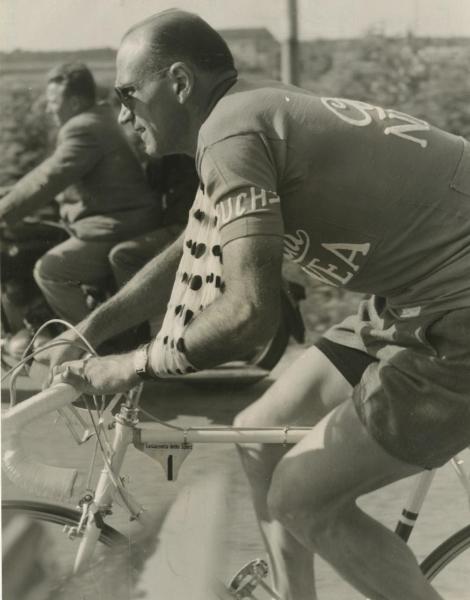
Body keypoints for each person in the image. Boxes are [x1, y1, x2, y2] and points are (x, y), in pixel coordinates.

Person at [48, 10, 470, 600]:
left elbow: (248, 315)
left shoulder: (231, 135)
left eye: (127, 92)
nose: (120, 112)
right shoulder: (244, 110)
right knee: (258, 433)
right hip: (413, 296)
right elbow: (192, 248)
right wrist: (91, 330)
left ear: (178, 82)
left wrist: (132, 363)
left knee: (302, 498)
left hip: (454, 311)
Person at [0, 62, 158, 324]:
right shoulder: (98, 118)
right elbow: (47, 172)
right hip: (118, 221)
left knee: (51, 270)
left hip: (117, 226)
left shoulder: (83, 128)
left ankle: (96, 345)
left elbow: (50, 178)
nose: (49, 108)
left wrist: (4, 212)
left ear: (73, 102)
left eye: (53, 101)